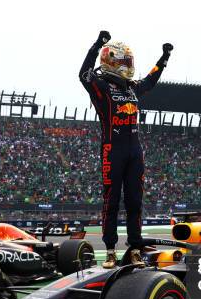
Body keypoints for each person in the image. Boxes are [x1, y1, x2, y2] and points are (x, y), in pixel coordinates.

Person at [79, 30, 173, 268]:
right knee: (111, 202)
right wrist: (97, 44)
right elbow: (83, 74)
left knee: (134, 203)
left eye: (128, 62)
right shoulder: (102, 87)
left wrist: (164, 58)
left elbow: (150, 80)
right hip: (113, 150)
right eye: (123, 62)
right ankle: (110, 251)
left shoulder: (132, 88)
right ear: (110, 61)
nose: (128, 66)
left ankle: (134, 250)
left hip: (135, 152)